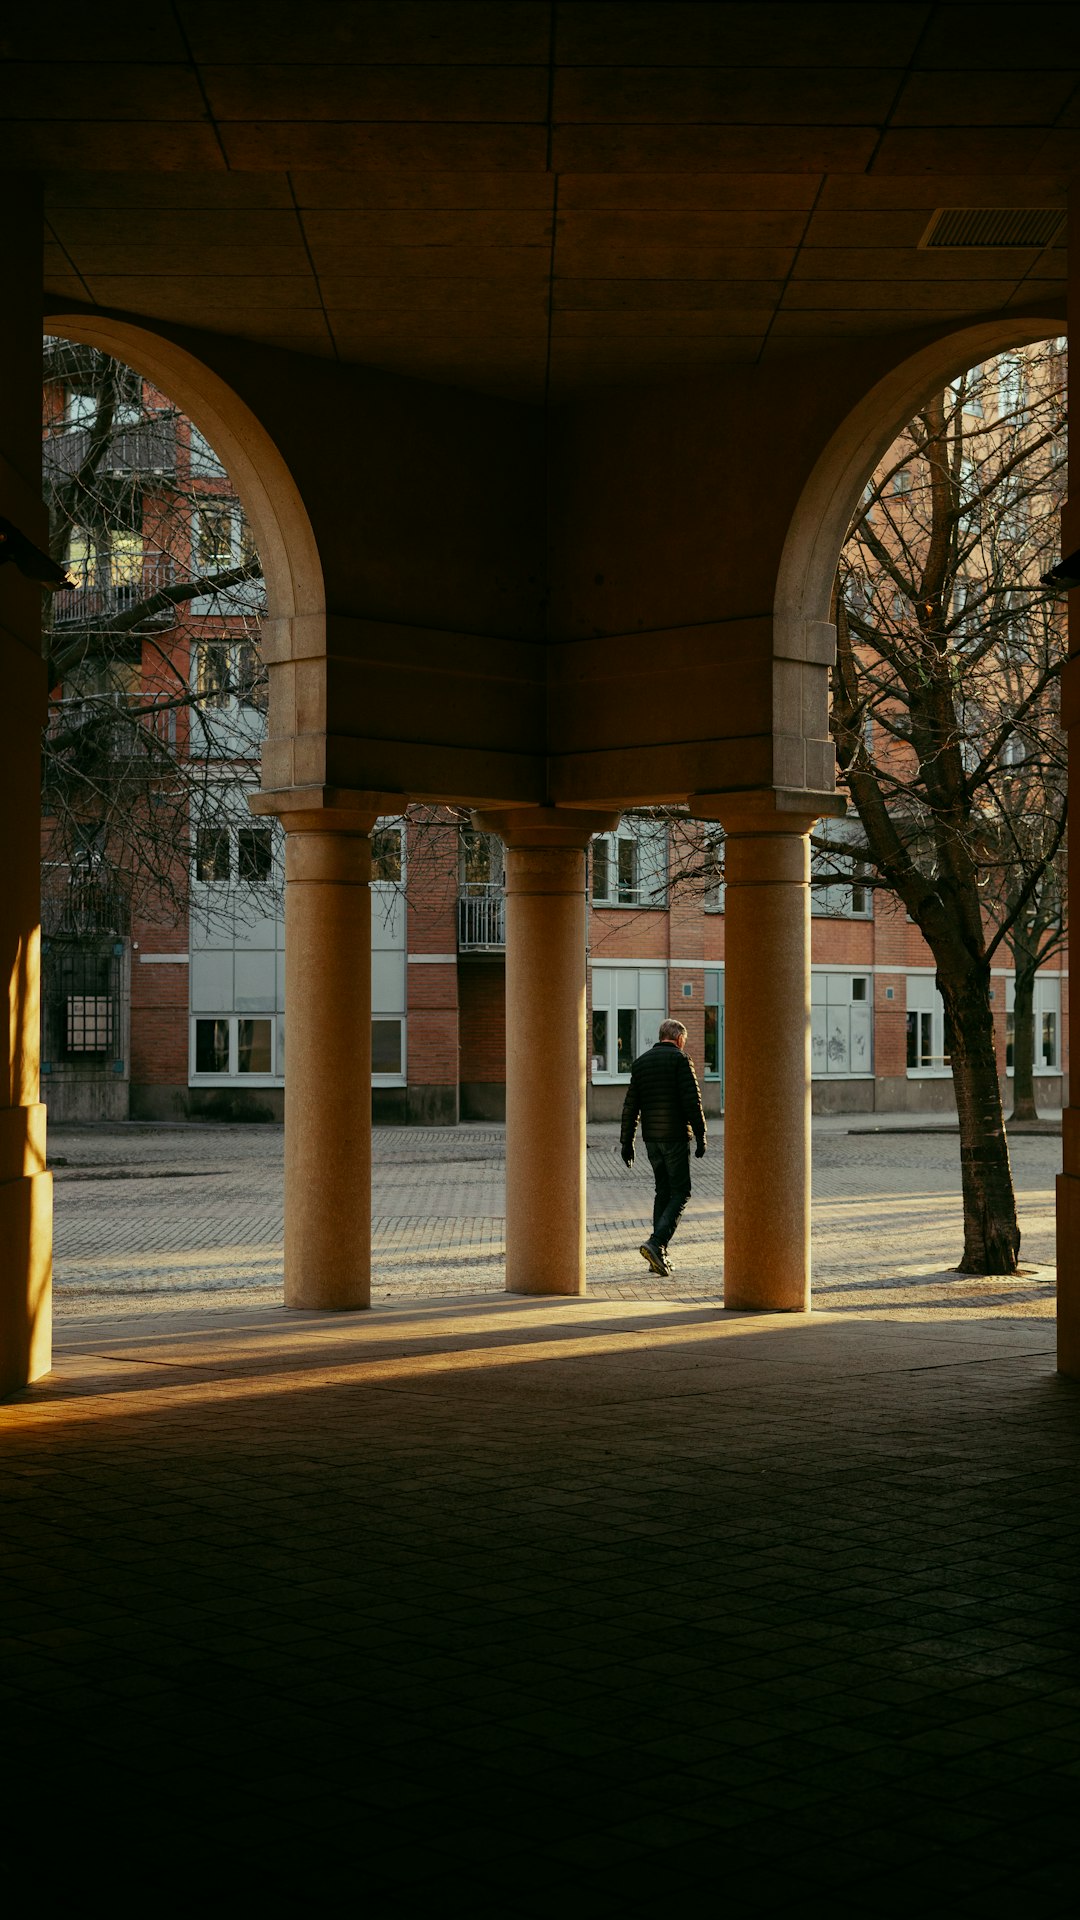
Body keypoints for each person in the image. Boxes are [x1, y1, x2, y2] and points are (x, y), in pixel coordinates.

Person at [619, 1018, 707, 1277]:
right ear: (679, 1039)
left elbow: (630, 1107)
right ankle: (656, 1243)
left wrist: (627, 1142)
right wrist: (701, 1135)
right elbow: (692, 1101)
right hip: (675, 1138)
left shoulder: (641, 1063)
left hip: (652, 1140)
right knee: (681, 1192)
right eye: (684, 1041)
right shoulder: (681, 1060)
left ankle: (657, 1256)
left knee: (663, 1191)